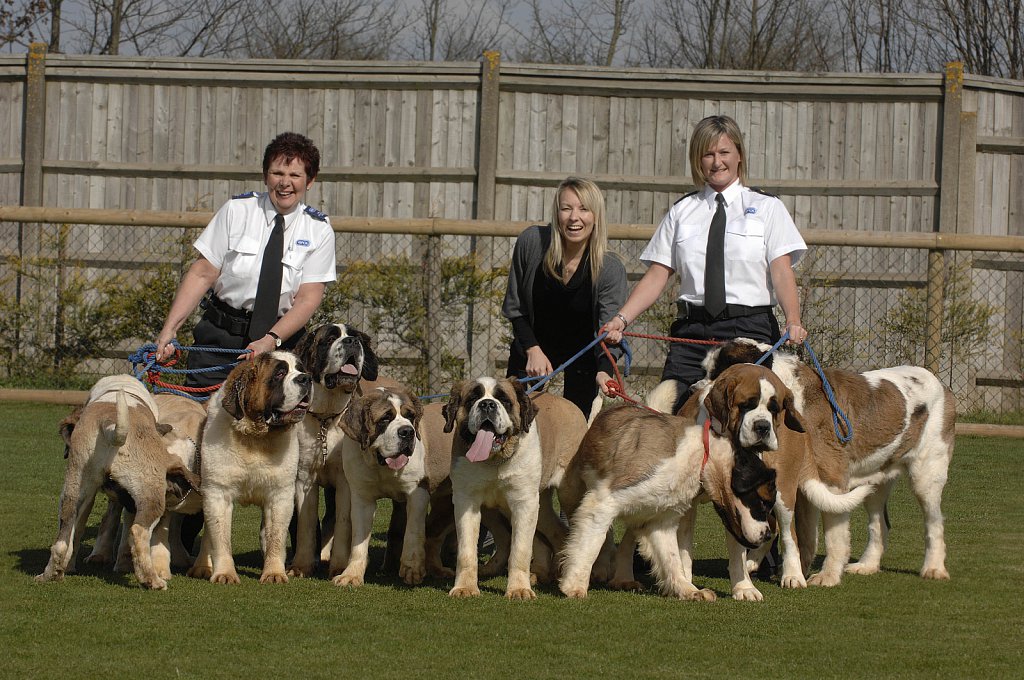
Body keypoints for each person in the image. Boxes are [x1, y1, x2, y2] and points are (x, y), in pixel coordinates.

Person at [603, 114, 808, 415]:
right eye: (708, 154)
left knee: (747, 418)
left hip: (748, 331)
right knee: (670, 417)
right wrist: (621, 319)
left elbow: (781, 269)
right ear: (697, 160)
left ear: (739, 155)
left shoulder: (768, 208)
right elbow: (658, 274)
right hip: (692, 332)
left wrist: (793, 319)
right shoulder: (682, 211)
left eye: (724, 152)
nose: (716, 161)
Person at [154, 132, 337, 388]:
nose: (285, 183)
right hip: (219, 339)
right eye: (277, 173)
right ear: (265, 176)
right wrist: (169, 330)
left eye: (295, 175)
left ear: (310, 181)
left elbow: (309, 297)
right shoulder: (236, 211)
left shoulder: (319, 229)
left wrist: (271, 339)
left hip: (280, 345)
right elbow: (202, 273)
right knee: (202, 417)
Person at [502, 176, 628, 417]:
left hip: (582, 359)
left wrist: (604, 371)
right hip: (531, 350)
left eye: (584, 209)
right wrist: (532, 349)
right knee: (515, 420)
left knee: (575, 427)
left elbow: (608, 330)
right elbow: (515, 307)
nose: (574, 217)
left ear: (596, 216)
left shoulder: (609, 268)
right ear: (556, 213)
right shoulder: (532, 243)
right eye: (566, 208)